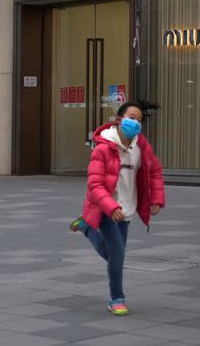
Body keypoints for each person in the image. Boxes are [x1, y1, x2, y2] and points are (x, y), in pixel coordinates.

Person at [68, 100, 165, 315]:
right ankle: (117, 298)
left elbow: (155, 171)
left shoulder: (141, 147)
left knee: (114, 253)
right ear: (119, 120)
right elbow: (94, 185)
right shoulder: (102, 149)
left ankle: (86, 228)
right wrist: (110, 207)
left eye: (139, 120)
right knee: (118, 254)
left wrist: (156, 198)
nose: (136, 123)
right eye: (132, 118)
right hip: (104, 208)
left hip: (126, 209)